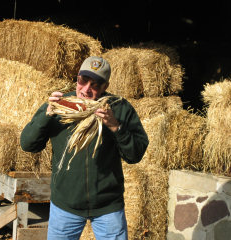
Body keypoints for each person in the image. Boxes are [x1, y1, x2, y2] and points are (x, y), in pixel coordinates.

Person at [20, 56, 149, 240]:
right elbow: (28, 144)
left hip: (108, 207)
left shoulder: (119, 108)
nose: (86, 89)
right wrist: (46, 115)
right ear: (77, 77)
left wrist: (116, 127)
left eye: (95, 85)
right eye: (83, 81)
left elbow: (135, 154)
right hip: (65, 206)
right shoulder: (59, 105)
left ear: (105, 86)